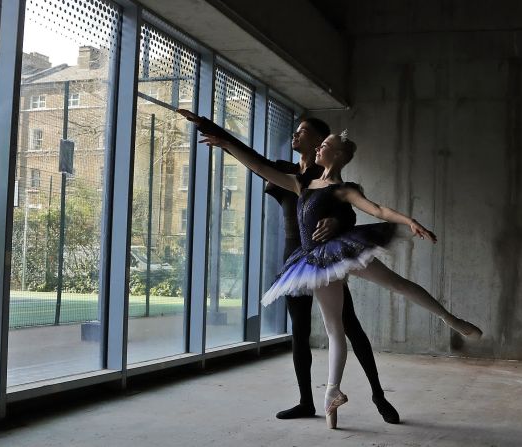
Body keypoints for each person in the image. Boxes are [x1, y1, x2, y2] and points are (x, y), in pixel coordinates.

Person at [184, 116, 482, 429]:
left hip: (342, 251)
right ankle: (331, 394)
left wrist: (409, 221)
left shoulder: (343, 189)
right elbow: (260, 168)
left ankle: (450, 320)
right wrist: (227, 143)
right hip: (313, 262)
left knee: (399, 285)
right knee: (333, 328)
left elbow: (377, 210)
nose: (318, 149)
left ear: (336, 156)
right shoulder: (301, 184)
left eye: (324, 145)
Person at [179, 110, 400, 423]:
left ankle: (378, 394)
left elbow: (349, 211)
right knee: (299, 331)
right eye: (296, 130)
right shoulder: (286, 172)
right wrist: (210, 127)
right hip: (293, 260)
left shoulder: (324, 177)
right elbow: (255, 160)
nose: (295, 135)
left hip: (323, 261)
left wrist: (337, 221)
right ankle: (306, 401)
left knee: (349, 325)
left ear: (320, 141)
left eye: (303, 130)